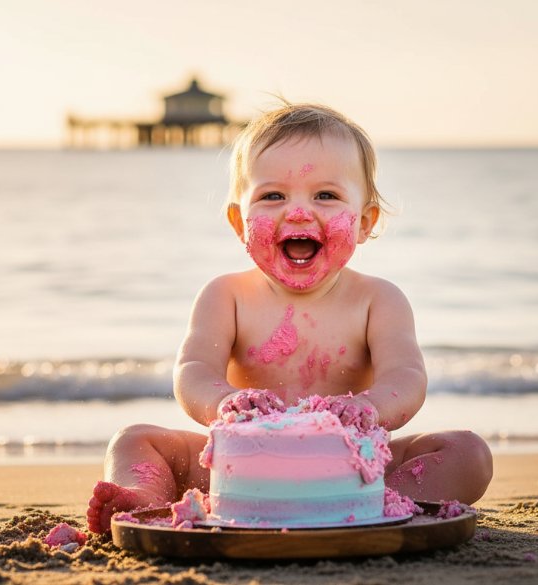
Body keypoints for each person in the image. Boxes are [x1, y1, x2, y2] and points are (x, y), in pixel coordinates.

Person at [87, 103, 492, 534]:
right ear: (239, 223)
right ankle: (145, 500)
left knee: (468, 451)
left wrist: (368, 409)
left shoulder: (378, 299)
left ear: (364, 222)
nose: (297, 212)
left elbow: (407, 377)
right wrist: (224, 403)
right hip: (239, 467)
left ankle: (385, 499)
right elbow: (193, 372)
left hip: (353, 466)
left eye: (326, 195)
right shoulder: (226, 296)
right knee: (134, 440)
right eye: (273, 196)